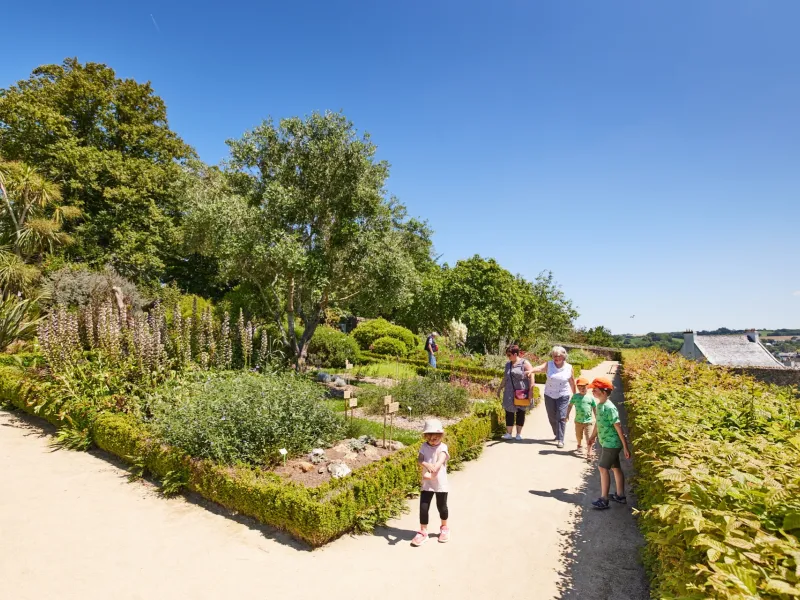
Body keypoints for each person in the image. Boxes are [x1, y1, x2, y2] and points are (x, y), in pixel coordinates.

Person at [586, 377, 631, 510]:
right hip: (606, 442)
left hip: (612, 444)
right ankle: (620, 495)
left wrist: (625, 447)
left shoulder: (609, 408)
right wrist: (592, 437)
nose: (593, 392)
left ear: (604, 392)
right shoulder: (600, 406)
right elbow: (598, 424)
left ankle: (604, 499)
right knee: (615, 468)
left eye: (595, 390)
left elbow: (618, 427)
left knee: (602, 468)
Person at [412, 419, 450, 546]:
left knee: (442, 506)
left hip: (440, 482)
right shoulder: (424, 446)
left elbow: (442, 458)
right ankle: (423, 531)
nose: (433, 441)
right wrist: (427, 464)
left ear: (440, 436)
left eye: (436, 438)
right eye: (431, 438)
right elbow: (420, 459)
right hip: (427, 482)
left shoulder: (443, 447)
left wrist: (436, 466)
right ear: (426, 436)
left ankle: (444, 527)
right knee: (423, 507)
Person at [529, 346, 576, 448]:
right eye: (555, 356)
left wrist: (575, 395)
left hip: (563, 394)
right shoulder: (549, 364)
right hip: (549, 394)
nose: (557, 358)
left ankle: (560, 439)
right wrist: (531, 371)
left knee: (561, 416)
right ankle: (557, 433)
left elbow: (572, 382)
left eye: (559, 356)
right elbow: (540, 368)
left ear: (564, 356)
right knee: (552, 417)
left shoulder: (569, 367)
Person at [498, 344, 535, 441]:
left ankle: (518, 434)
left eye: (509, 355)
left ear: (515, 354)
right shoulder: (508, 365)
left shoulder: (525, 363)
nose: (508, 357)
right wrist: (500, 388)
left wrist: (531, 390)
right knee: (509, 411)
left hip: (521, 391)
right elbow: (505, 378)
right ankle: (509, 433)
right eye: (507, 355)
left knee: (520, 411)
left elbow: (532, 376)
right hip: (509, 392)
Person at [566, 377, 596, 458]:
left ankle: (589, 452)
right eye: (580, 388)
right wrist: (567, 414)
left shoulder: (591, 397)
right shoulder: (575, 396)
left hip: (588, 422)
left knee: (589, 437)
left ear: (588, 387)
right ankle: (579, 445)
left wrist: (597, 417)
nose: (582, 389)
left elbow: (594, 408)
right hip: (578, 421)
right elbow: (570, 406)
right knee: (578, 436)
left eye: (584, 387)